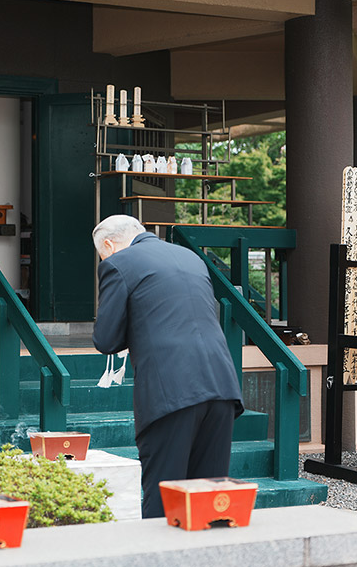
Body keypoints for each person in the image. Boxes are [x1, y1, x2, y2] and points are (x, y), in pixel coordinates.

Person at [91, 214, 243, 519]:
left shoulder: (119, 263)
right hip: (222, 385)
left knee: (165, 498)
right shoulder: (190, 257)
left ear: (109, 245)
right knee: (208, 499)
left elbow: (106, 339)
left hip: (171, 390)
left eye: (102, 254)